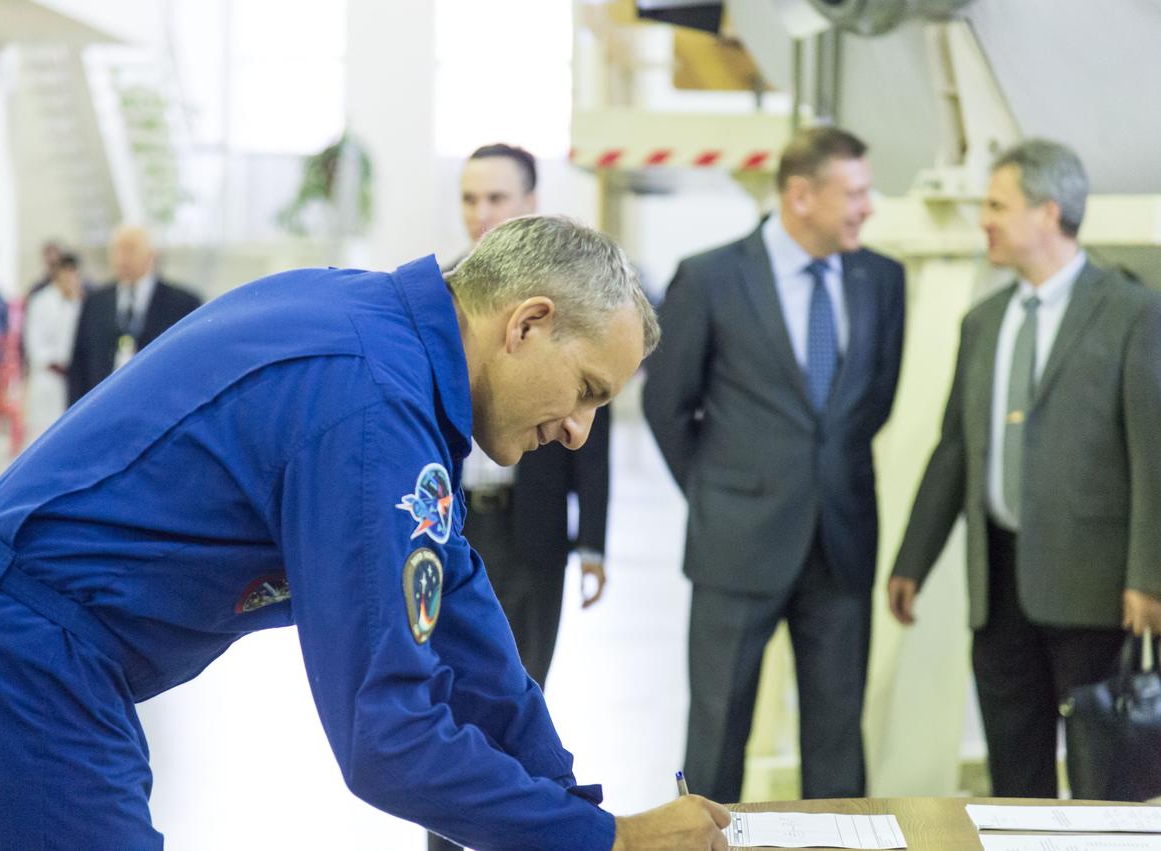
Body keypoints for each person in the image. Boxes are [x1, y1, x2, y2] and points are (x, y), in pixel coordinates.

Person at [0, 215, 731, 850]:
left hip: (7, 644)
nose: (581, 430)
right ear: (526, 323)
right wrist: (610, 839)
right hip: (18, 665)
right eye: (585, 388)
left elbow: (461, 608)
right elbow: (386, 739)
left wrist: (570, 806)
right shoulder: (369, 404)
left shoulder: (381, 339)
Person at [888, 139, 1161, 799]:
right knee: (1014, 778)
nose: (982, 219)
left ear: (1047, 213)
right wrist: (911, 561)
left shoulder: (1131, 311)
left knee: (1103, 785)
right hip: (998, 586)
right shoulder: (982, 322)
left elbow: (1152, 451)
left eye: (995, 205)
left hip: (1095, 591)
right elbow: (953, 448)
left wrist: (1146, 576)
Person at [643, 127, 906, 804]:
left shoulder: (882, 278)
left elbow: (871, 401)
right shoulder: (709, 277)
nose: (865, 207)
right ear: (800, 195)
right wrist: (714, 492)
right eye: (852, 192)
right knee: (716, 730)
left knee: (837, 736)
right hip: (735, 543)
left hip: (841, 541)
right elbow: (666, 405)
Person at [429, 142, 614, 851]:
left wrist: (591, 538)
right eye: (470, 199)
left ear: (529, 204)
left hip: (531, 532)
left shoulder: (570, 312)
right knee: (441, 702)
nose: (481, 214)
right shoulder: (436, 297)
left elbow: (589, 434)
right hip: (451, 527)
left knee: (519, 692)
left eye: (496, 199)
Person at [66, 225, 202, 405]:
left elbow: (193, 366)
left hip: (160, 407)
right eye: (116, 250)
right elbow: (79, 365)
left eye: (130, 249)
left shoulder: (183, 304)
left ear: (150, 255)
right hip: (103, 408)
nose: (122, 258)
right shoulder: (95, 302)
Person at [23, 252, 84, 437]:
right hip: (47, 376)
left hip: (72, 379)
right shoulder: (40, 301)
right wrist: (54, 362)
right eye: (66, 273)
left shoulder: (80, 303)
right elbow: (33, 343)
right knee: (41, 433)